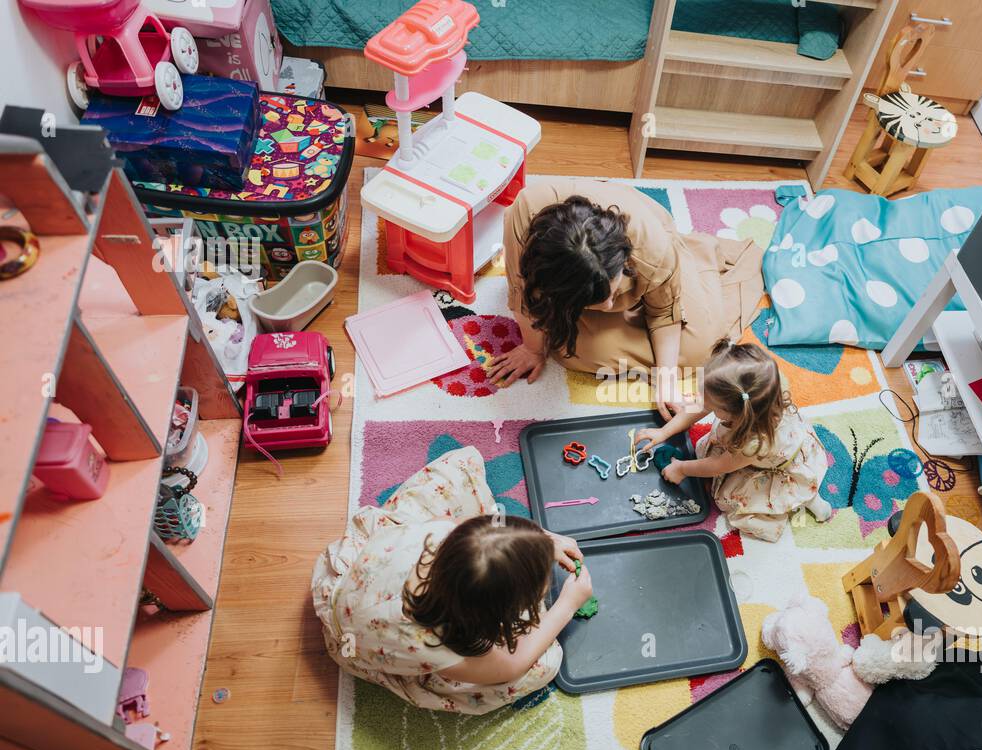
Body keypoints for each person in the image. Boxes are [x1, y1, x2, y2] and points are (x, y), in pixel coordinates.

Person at [312, 447, 591, 714]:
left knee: (460, 467)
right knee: (544, 665)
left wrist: (541, 542)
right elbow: (510, 667)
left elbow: (486, 529)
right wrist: (567, 604)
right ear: (492, 617)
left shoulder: (440, 535)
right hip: (356, 643)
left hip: (355, 579)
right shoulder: (437, 645)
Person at [490, 178, 765, 419]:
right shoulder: (524, 219)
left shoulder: (653, 249)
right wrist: (532, 349)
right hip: (571, 279)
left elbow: (664, 311)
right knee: (568, 351)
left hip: (658, 267)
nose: (609, 307)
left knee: (700, 351)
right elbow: (525, 296)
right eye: (597, 303)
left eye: (612, 293)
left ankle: (696, 256)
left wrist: (666, 381)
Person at [636, 340, 832, 542]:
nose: (702, 403)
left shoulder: (753, 443)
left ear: (736, 415)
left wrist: (681, 469)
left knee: (736, 498)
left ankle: (810, 498)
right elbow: (699, 407)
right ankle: (807, 495)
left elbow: (718, 465)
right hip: (779, 440)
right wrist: (663, 432)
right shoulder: (761, 386)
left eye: (711, 406)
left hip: (779, 467)